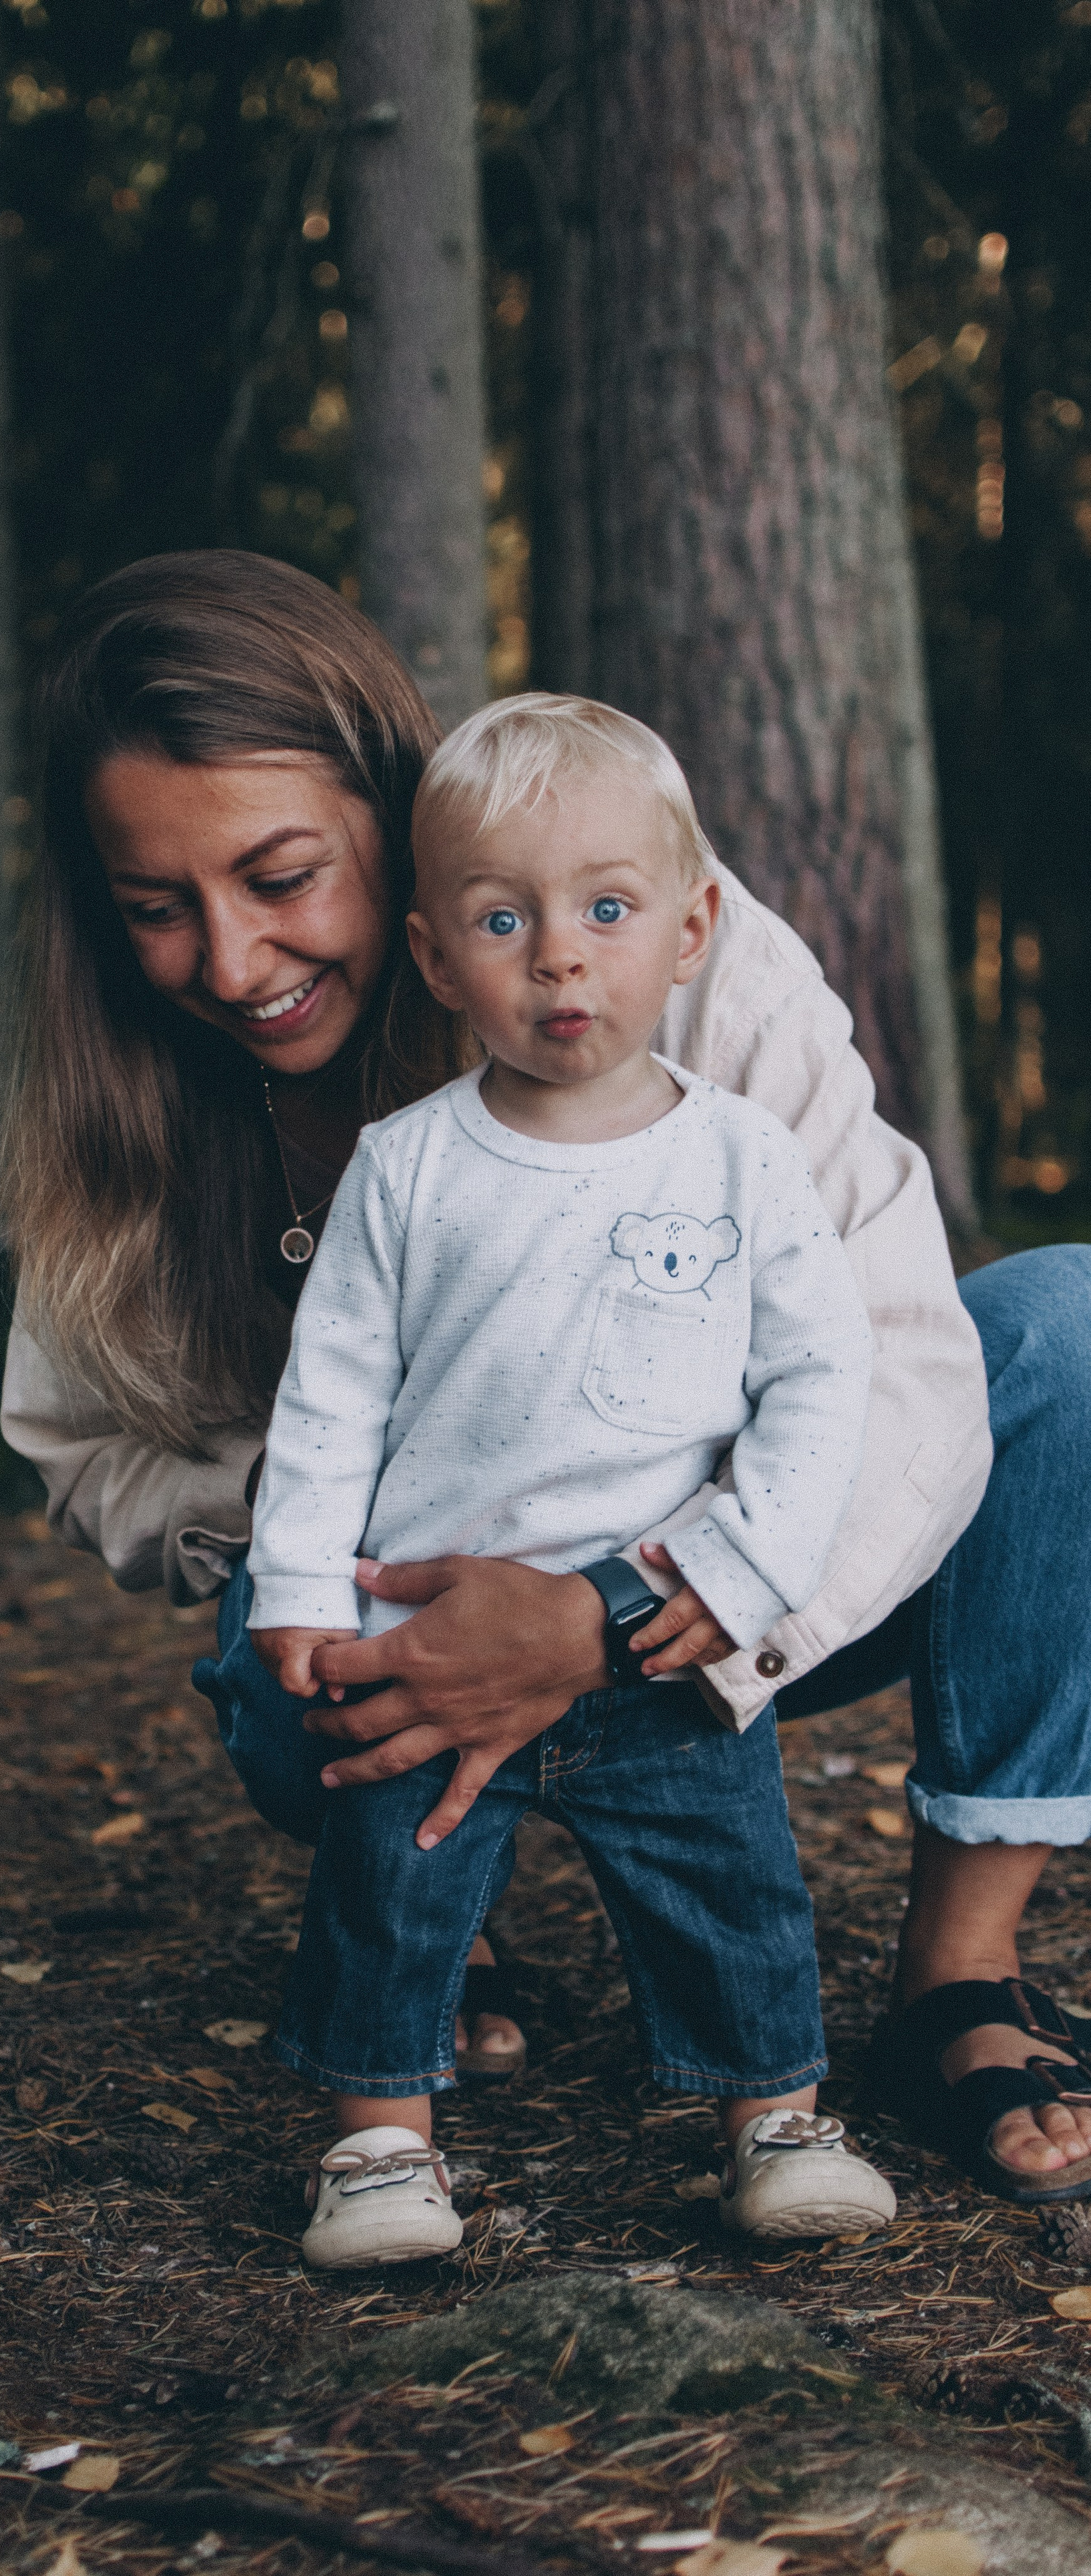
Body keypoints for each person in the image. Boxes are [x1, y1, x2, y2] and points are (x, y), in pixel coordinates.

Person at [0, 549, 1091, 2214]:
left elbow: (897, 1357)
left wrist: (609, 1603)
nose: (230, 959)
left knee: (1064, 1327)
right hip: (407, 1610)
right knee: (272, 1644)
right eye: (158, 906)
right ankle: (441, 1914)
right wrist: (401, 1557)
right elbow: (81, 1443)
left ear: (396, 815)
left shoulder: (661, 944)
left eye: (283, 875)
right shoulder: (125, 1088)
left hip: (731, 1583)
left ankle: (957, 1968)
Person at [243, 694, 895, 2264]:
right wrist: (295, 1587)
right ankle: (378, 2142)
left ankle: (773, 2116)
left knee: (729, 1883)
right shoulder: (406, 1165)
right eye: (500, 917)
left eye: (604, 910)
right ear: (431, 953)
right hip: (431, 1632)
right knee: (392, 1888)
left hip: (657, 1626)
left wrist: (738, 1575)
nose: (557, 956)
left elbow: (820, 1378)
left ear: (688, 930)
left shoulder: (738, 1158)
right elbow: (329, 1394)